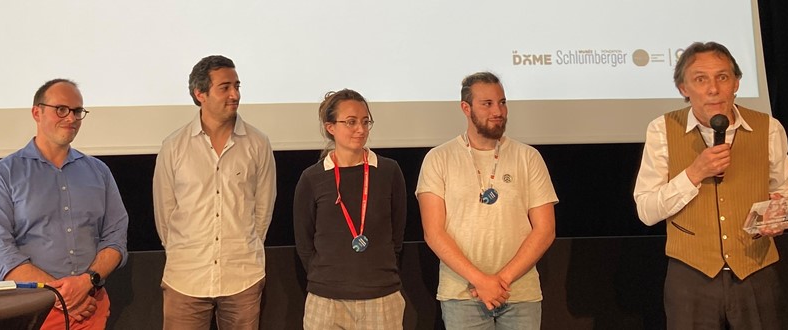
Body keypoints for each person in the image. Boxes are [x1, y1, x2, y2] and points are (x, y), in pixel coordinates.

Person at [633, 41, 788, 330]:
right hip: (691, 277)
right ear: (683, 88)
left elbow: (782, 191)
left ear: (736, 83)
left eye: (722, 77)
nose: (713, 89)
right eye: (700, 79)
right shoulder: (662, 129)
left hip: (755, 271)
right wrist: (694, 172)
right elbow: (646, 210)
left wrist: (779, 214)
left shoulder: (769, 128)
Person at [0, 78, 129, 329]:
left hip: (90, 307)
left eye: (77, 111)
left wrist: (86, 282)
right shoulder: (2, 175)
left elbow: (116, 237)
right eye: (61, 109)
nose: (71, 118)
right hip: (29, 310)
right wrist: (60, 295)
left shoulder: (99, 172)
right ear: (37, 112)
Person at [416, 72, 558, 329]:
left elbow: (545, 230)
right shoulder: (438, 159)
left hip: (519, 294)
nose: (498, 111)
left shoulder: (529, 157)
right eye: (488, 104)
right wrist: (480, 281)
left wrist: (500, 281)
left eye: (502, 102)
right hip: (462, 295)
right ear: (465, 108)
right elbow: (433, 232)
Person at [153, 55, 276, 329]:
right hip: (185, 278)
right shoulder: (174, 146)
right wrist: (182, 253)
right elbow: (165, 214)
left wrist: (245, 248)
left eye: (237, 86)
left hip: (242, 276)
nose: (235, 94)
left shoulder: (257, 143)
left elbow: (263, 210)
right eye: (225, 87)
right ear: (200, 94)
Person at [293, 89, 407, 329]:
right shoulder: (312, 178)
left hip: (381, 296)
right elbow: (304, 243)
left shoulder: (388, 171)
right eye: (351, 122)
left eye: (366, 122)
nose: (361, 129)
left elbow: (397, 235)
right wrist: (328, 278)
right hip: (326, 300)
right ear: (330, 127)